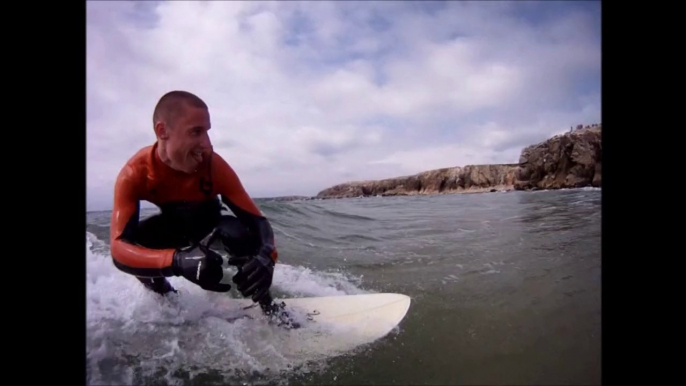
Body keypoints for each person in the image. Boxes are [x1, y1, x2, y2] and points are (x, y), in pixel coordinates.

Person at [109, 90, 280, 308]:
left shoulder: (213, 165)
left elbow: (259, 222)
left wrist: (267, 256)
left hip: (210, 226)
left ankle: (268, 307)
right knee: (137, 242)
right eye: (196, 132)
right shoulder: (135, 174)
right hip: (173, 230)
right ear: (162, 131)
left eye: (207, 132)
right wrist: (178, 261)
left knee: (240, 234)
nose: (207, 144)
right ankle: (169, 301)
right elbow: (118, 249)